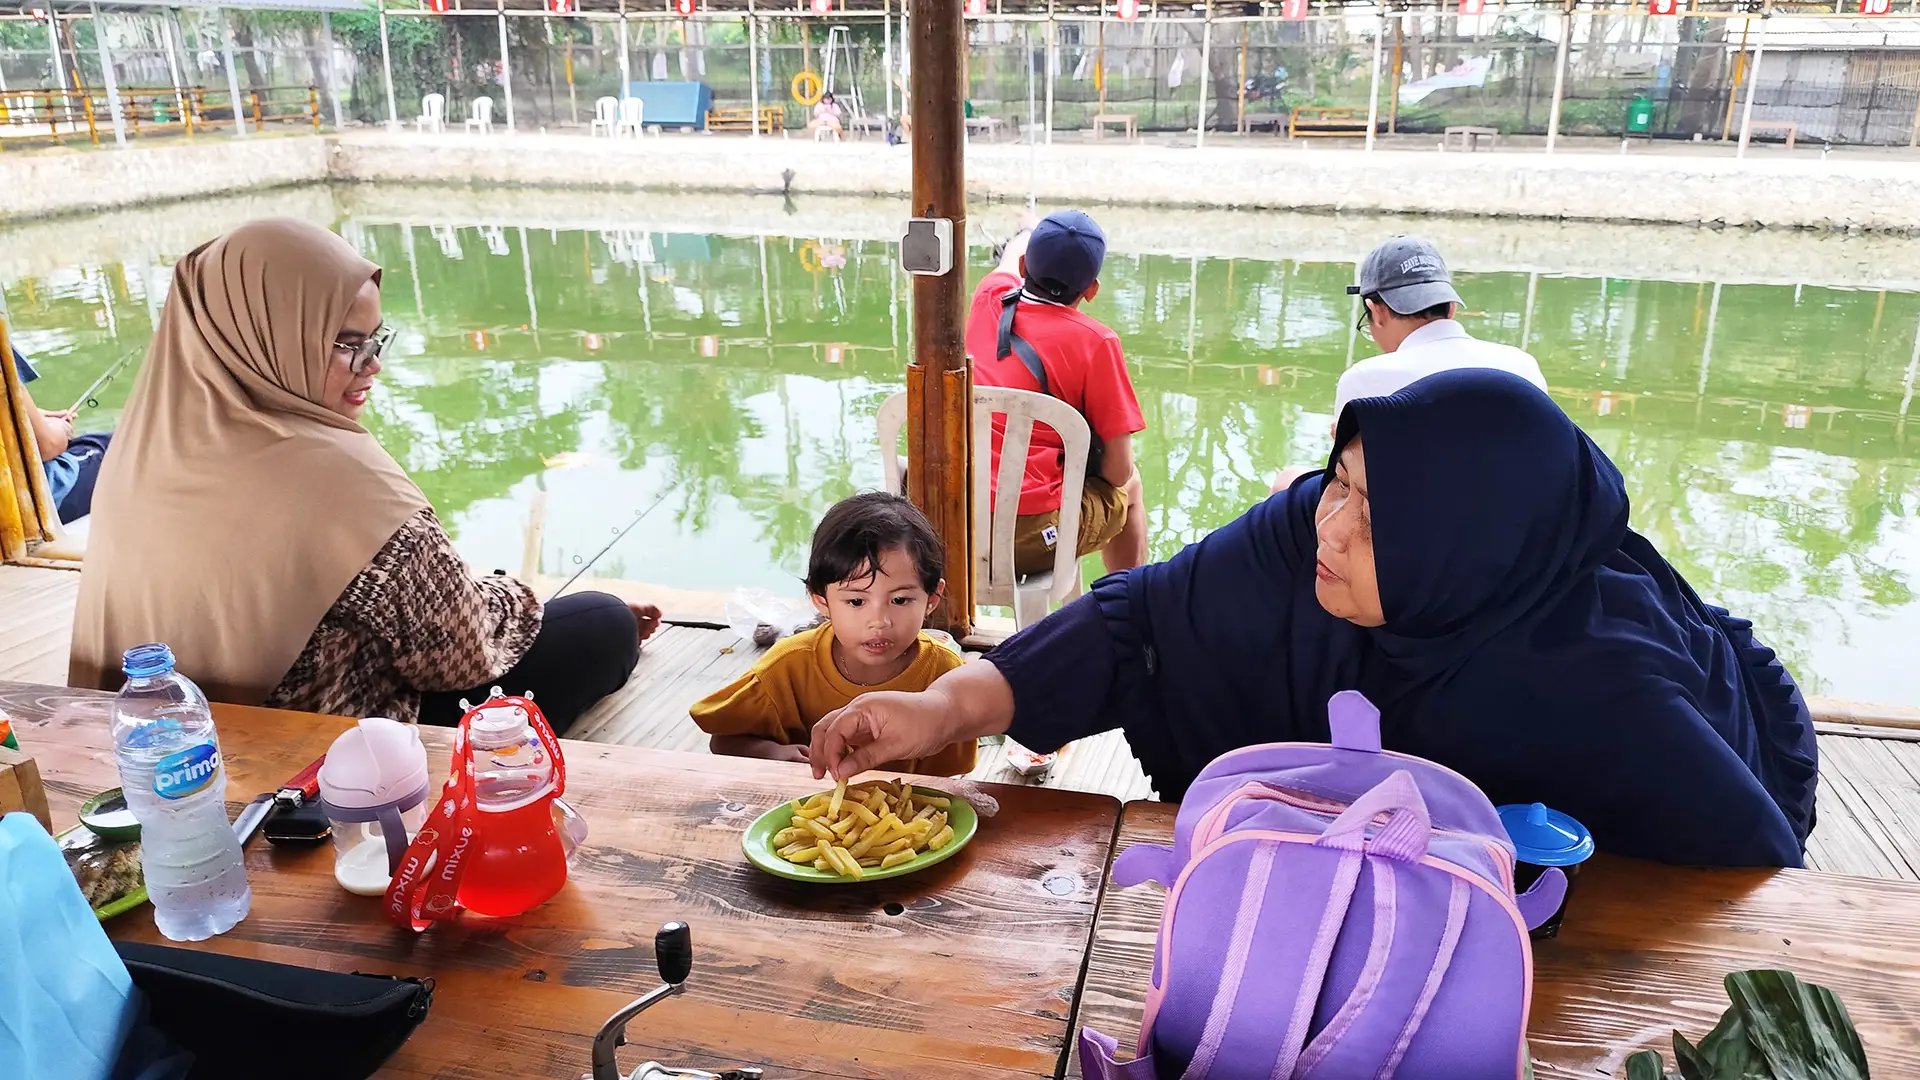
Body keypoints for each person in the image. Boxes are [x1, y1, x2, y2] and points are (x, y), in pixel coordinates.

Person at [809, 371, 1819, 868]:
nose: (1330, 525)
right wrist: (942, 711)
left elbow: (1755, 872)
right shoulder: (1309, 532)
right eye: (1340, 479)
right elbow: (1139, 620)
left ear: (1451, 552)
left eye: (1375, 516)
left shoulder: (1605, 682)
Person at [67, 218, 661, 733]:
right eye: (346, 344)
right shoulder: (341, 480)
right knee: (601, 622)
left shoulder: (138, 450)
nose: (373, 364)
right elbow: (461, 657)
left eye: (375, 339)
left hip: (164, 740)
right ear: (271, 339)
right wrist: (512, 595)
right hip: (321, 754)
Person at [691, 492, 973, 776]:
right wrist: (774, 753)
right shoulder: (786, 666)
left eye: (900, 600)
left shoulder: (946, 675)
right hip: (807, 814)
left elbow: (948, 778)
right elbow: (724, 739)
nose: (879, 621)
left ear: (932, 599)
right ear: (821, 600)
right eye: (856, 601)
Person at [1270, 236, 1548, 493]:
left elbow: (1350, 484)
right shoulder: (1522, 366)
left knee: (1287, 481)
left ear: (1376, 311)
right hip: (1509, 529)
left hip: (1407, 531)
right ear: (1451, 307)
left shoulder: (1365, 379)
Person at [965, 209, 1148, 577]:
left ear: (1022, 265)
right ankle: (1127, 610)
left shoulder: (988, 296)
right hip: (1032, 540)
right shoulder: (1097, 342)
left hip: (952, 523)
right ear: (1092, 290)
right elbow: (1116, 471)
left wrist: (1028, 228)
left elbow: (1008, 261)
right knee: (1131, 484)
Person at [10, 346, 113, 523]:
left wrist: (36, 417)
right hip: (30, 505)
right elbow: (47, 446)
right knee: (119, 446)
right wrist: (59, 429)